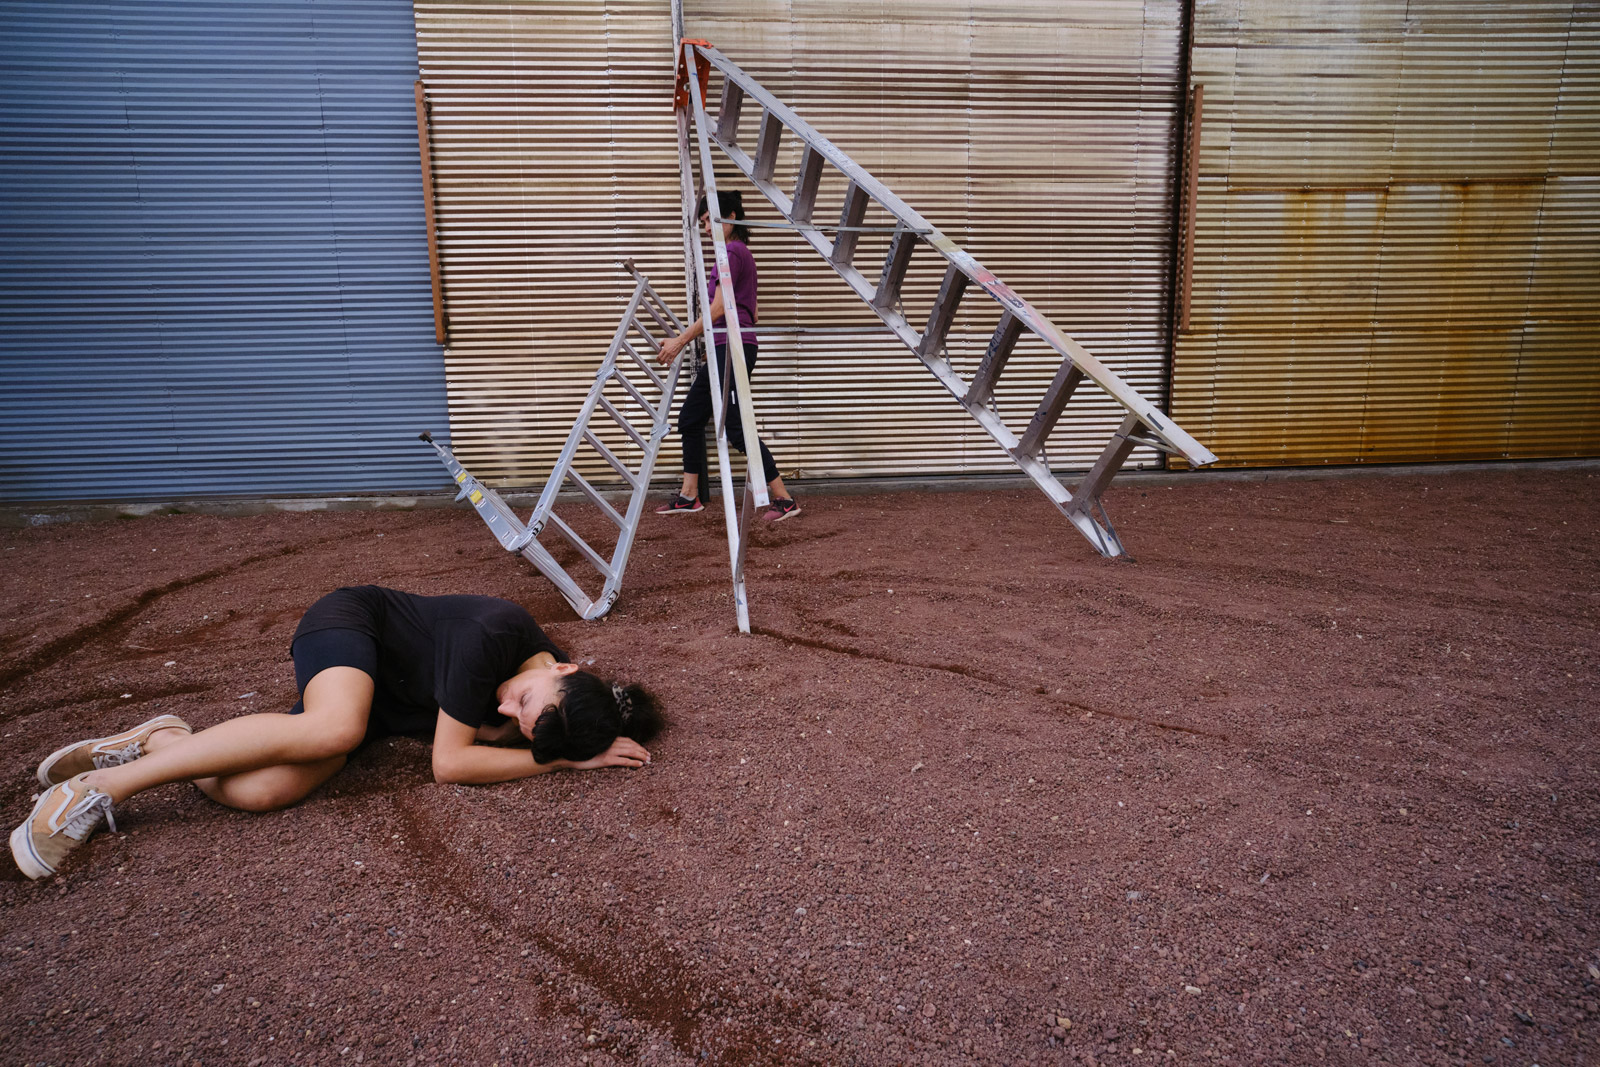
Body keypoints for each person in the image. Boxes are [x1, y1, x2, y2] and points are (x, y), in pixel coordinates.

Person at [10, 585, 663, 880]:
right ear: (565, 667)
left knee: (261, 790)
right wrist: (556, 763)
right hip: (355, 628)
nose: (513, 713)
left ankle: (161, 741)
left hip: (379, 707)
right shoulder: (493, 636)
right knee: (336, 725)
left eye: (526, 723)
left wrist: (568, 751)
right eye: (526, 703)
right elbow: (450, 764)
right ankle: (101, 787)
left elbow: (493, 742)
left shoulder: (549, 710)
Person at [655, 189, 800, 523]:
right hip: (728, 347)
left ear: (732, 217)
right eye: (704, 222)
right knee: (691, 418)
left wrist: (680, 342)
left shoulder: (731, 251)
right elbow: (754, 313)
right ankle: (689, 496)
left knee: (735, 427)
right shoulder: (739, 254)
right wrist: (716, 344)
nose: (707, 228)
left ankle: (784, 499)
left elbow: (719, 307)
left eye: (712, 220)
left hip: (733, 348)